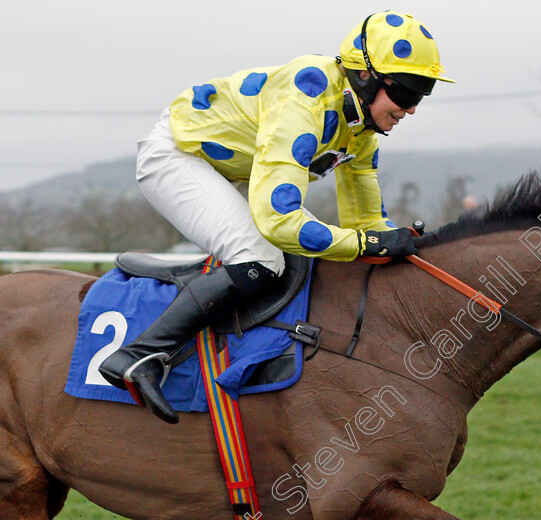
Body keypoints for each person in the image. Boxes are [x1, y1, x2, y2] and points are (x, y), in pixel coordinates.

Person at [98, 11, 454, 423]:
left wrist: (403, 244)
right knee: (261, 256)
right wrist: (365, 243)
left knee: (288, 254)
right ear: (365, 77)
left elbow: (367, 224)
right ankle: (139, 355)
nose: (411, 109)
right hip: (176, 155)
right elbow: (280, 220)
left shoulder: (361, 130)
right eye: (409, 93)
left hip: (230, 170)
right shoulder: (305, 98)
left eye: (422, 94)